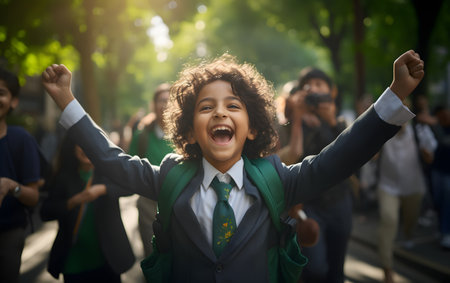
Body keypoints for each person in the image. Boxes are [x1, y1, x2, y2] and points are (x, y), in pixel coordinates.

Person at [41, 50, 423, 282]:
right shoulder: (171, 176)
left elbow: (338, 159)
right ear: (190, 132)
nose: (219, 111)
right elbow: (112, 159)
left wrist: (394, 96)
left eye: (233, 106)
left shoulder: (277, 178)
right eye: (206, 107)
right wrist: (66, 101)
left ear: (253, 126)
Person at [277, 67, 354, 283]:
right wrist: (299, 118)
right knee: (316, 269)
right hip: (308, 206)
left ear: (332, 92)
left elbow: (352, 158)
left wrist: (331, 121)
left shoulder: (340, 124)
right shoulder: (292, 124)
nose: (314, 90)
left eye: (320, 85)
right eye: (308, 86)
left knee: (337, 270)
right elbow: (291, 157)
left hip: (340, 202)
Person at [40, 135, 135, 282]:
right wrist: (72, 202)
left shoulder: (108, 172)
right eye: (80, 144)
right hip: (74, 260)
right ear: (72, 148)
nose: (85, 149)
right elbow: (45, 212)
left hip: (108, 258)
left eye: (89, 144)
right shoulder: (63, 177)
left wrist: (103, 189)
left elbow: (131, 187)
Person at [376, 98, 437, 283]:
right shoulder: (381, 131)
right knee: (389, 220)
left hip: (413, 186)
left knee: (411, 218)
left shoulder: (420, 131)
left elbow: (430, 158)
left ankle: (409, 233)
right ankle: (387, 269)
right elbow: (371, 155)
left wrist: (427, 153)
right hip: (387, 186)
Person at [0, 67, 43, 283]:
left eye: (1, 93)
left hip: (8, 234)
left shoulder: (21, 140)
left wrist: (10, 186)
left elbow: (34, 196)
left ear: (14, 101)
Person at [128, 83, 173, 258]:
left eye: (170, 100)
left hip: (179, 203)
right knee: (153, 255)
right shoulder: (142, 136)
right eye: (161, 100)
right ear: (154, 105)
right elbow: (130, 166)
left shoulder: (186, 135)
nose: (165, 105)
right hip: (148, 206)